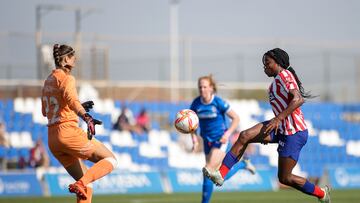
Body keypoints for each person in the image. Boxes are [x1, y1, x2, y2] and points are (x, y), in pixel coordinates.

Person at [203, 48, 331, 203]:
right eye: (263, 63)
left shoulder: (285, 75)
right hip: (281, 128)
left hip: (294, 132)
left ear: (277, 62)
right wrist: (275, 124)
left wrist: (277, 120)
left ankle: (321, 194)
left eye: (267, 63)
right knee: (244, 136)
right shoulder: (276, 81)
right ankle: (221, 174)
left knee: (285, 177)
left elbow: (298, 99)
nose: (264, 66)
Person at [42, 44, 117, 202]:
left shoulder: (48, 81)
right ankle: (80, 183)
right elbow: (72, 100)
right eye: (72, 56)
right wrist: (86, 116)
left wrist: (78, 107)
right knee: (110, 160)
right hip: (67, 132)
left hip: (53, 140)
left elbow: (46, 111)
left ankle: (82, 184)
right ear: (66, 59)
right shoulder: (67, 78)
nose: (75, 59)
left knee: (87, 186)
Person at [190, 75, 256, 203]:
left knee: (208, 170)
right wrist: (194, 139)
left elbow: (236, 118)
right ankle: (243, 164)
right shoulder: (196, 103)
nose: (202, 89)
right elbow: (191, 124)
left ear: (211, 88)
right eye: (200, 87)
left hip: (220, 141)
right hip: (207, 141)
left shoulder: (218, 102)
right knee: (213, 175)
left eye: (205, 86)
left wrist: (227, 134)